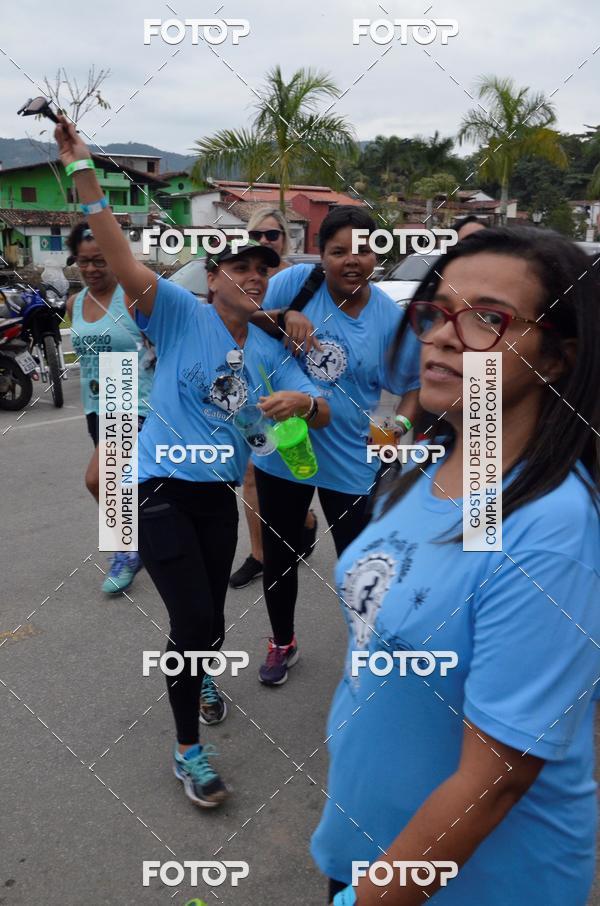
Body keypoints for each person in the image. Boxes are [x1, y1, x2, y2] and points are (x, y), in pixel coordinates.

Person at [311, 226, 600, 905]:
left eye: (488, 319)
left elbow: (494, 781)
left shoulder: (552, 530)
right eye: (437, 312)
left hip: (475, 882)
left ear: (557, 359)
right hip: (367, 848)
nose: (443, 335)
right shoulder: (424, 466)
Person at [54, 115, 330, 808]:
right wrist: (84, 171)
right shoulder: (177, 312)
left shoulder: (273, 347)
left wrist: (302, 404)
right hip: (156, 488)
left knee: (201, 623)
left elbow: (317, 413)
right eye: (239, 267)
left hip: (215, 500)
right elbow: (117, 254)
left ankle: (199, 669)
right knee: (198, 623)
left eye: (263, 269)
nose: (252, 277)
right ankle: (187, 752)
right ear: (213, 277)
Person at [249, 206, 422, 686]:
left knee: (358, 565)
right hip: (286, 449)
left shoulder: (388, 317)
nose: (352, 260)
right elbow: (242, 315)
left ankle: (367, 650)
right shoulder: (296, 283)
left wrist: (400, 423)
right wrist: (286, 313)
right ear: (321, 255)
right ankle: (282, 642)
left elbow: (412, 384)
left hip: (351, 460)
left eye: (363, 249)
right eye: (338, 250)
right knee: (279, 556)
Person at [229, 205, 318, 589]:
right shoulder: (247, 277)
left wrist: (292, 311)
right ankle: (260, 553)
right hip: (251, 380)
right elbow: (235, 314)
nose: (265, 242)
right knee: (252, 471)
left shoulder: (296, 276)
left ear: (285, 239)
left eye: (272, 236)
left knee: (293, 467)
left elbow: (326, 276)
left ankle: (305, 521)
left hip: (296, 380)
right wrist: (283, 315)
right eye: (258, 236)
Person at [66, 221, 155, 594]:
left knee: (97, 479)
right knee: (123, 484)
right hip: (96, 400)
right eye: (83, 262)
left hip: (132, 395)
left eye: (100, 260)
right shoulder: (75, 303)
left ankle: (128, 550)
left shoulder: (132, 297)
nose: (90, 269)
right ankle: (150, 540)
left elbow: (160, 344)